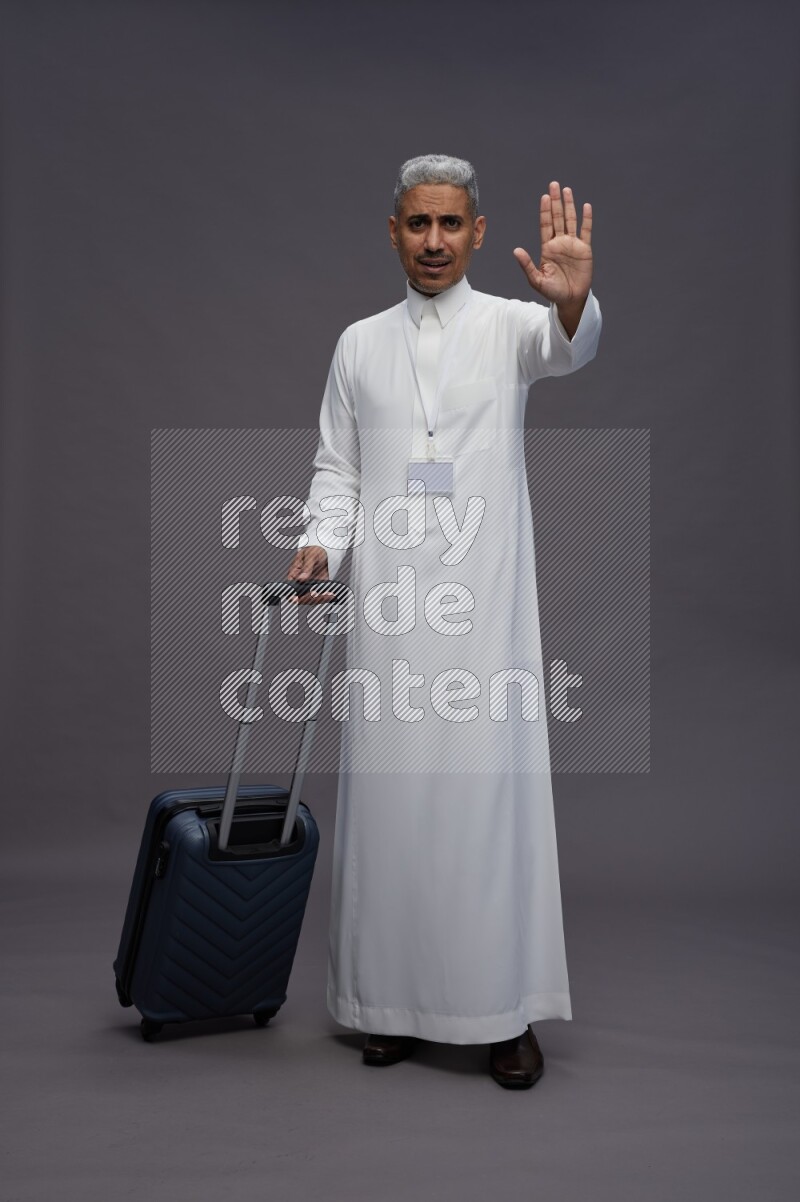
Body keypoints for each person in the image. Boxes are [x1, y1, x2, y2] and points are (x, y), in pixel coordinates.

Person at [286, 154, 601, 1088]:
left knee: (485, 806)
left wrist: (573, 301)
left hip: (485, 608)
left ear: (474, 230)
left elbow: (567, 349)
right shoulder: (357, 343)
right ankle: (388, 1005)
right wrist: (318, 543)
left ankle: (503, 1015)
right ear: (393, 232)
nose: (433, 242)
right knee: (390, 812)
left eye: (450, 226)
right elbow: (336, 466)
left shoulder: (513, 327)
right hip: (389, 606)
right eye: (417, 225)